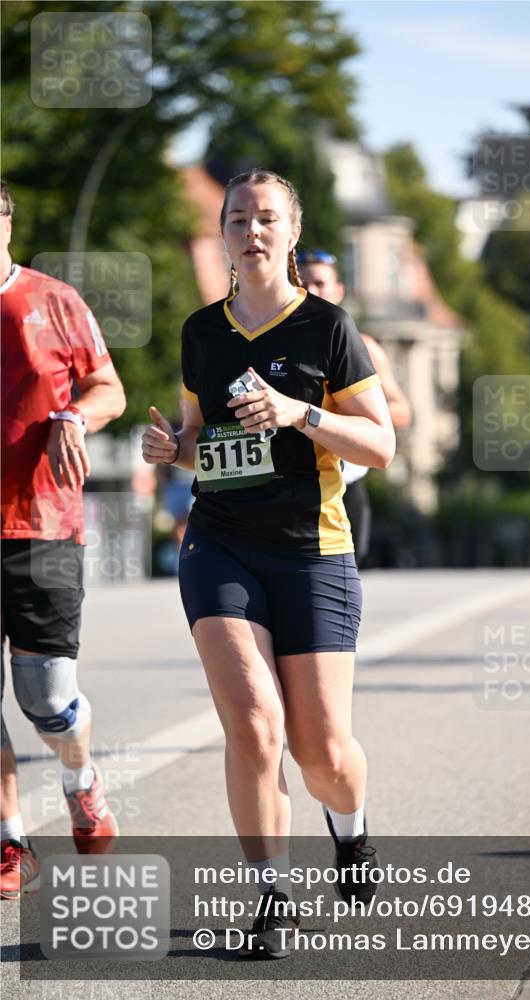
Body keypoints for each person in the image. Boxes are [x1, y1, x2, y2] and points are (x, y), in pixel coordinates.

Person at [141, 169, 394, 957]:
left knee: (320, 751)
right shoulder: (200, 332)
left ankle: (349, 834)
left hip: (311, 549)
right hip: (219, 542)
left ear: (291, 233)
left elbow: (382, 445)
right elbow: (202, 446)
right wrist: (169, 450)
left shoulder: (327, 328)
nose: (251, 232)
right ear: (221, 233)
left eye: (266, 220)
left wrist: (300, 412)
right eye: (238, 218)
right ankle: (270, 896)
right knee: (253, 725)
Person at [1, 179, 126, 898]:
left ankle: (80, 778)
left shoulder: (53, 300)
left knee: (47, 700)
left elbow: (107, 385)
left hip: (43, 526)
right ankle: (11, 841)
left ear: (7, 221)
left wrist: (73, 418)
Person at [297, 249, 412, 566]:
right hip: (295, 484)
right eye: (303, 283)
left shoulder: (363, 346)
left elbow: (401, 410)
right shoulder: (275, 345)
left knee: (342, 582)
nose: (312, 292)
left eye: (320, 283)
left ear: (338, 291)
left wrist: (342, 417)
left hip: (347, 484)